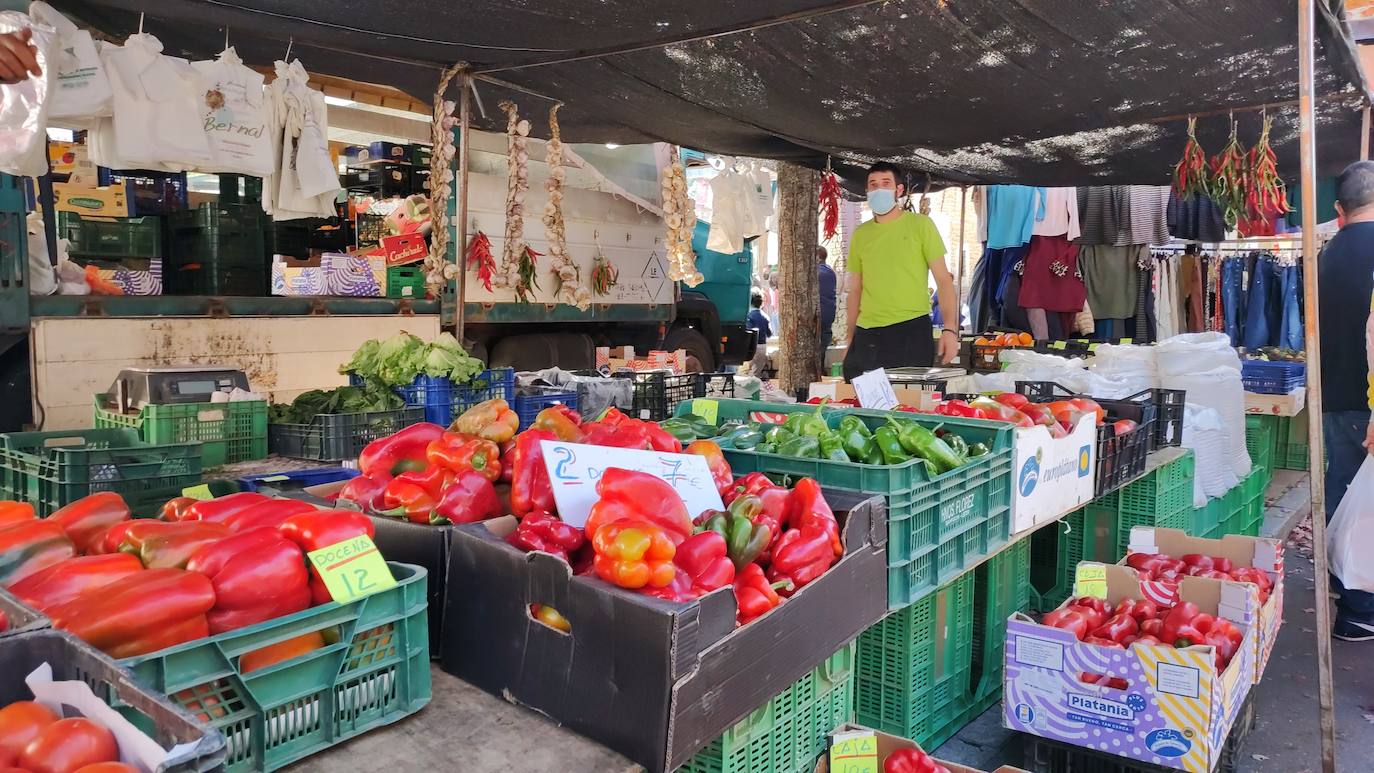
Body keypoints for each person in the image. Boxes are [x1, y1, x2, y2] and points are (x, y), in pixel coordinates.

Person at [1318, 160, 1374, 641]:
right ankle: (1359, 608)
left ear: (1339, 209)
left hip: (1337, 392)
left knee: (1345, 490)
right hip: (1369, 399)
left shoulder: (1328, 253)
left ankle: (1345, 591)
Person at [843, 162, 959, 379]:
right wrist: (850, 335)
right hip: (868, 332)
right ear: (867, 191)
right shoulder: (861, 234)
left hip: (911, 329)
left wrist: (950, 330)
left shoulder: (921, 226)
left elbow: (943, 280)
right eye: (873, 185)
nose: (879, 190)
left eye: (885, 183)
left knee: (906, 403)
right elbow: (856, 289)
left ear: (899, 190)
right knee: (858, 399)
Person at [818, 245, 837, 351]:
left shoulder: (816, 272)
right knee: (825, 343)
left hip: (820, 313)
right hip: (829, 313)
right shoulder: (830, 271)